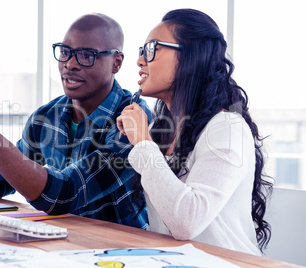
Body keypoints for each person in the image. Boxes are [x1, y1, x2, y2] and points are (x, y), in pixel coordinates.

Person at [0, 13, 150, 229]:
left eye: (87, 55)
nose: (70, 64)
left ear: (116, 62)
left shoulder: (133, 118)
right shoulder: (46, 116)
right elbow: (5, 175)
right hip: (67, 242)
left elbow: (63, 195)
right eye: (65, 52)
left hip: (122, 251)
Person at [116, 9, 273, 255]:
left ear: (191, 56)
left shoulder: (227, 128)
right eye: (142, 51)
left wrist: (144, 144)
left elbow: (186, 221)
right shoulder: (164, 130)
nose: (139, 61)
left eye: (152, 48)